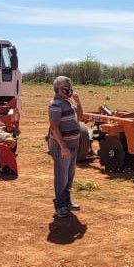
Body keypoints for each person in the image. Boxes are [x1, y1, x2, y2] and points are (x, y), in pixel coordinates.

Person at [47, 75, 83, 219]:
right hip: (62, 147)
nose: (69, 90)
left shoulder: (68, 103)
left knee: (69, 175)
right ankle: (60, 206)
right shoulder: (55, 104)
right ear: (58, 89)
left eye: (70, 88)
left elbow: (80, 116)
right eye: (66, 88)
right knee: (61, 176)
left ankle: (67, 202)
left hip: (73, 146)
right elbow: (54, 127)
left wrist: (78, 102)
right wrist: (63, 147)